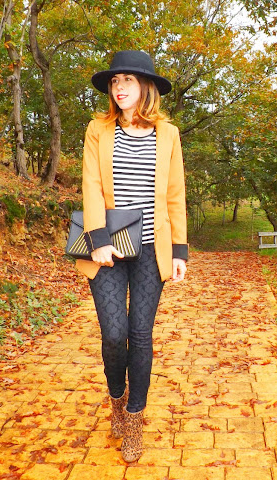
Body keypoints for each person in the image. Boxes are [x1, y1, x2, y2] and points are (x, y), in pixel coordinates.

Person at [74, 50, 188, 462]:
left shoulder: (168, 135)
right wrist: (98, 238)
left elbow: (174, 194)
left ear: (146, 86)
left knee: (140, 334)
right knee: (113, 334)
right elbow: (91, 185)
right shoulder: (98, 129)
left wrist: (179, 250)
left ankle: (134, 418)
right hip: (106, 246)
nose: (119, 87)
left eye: (128, 80)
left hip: (152, 249)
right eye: (114, 81)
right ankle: (117, 400)